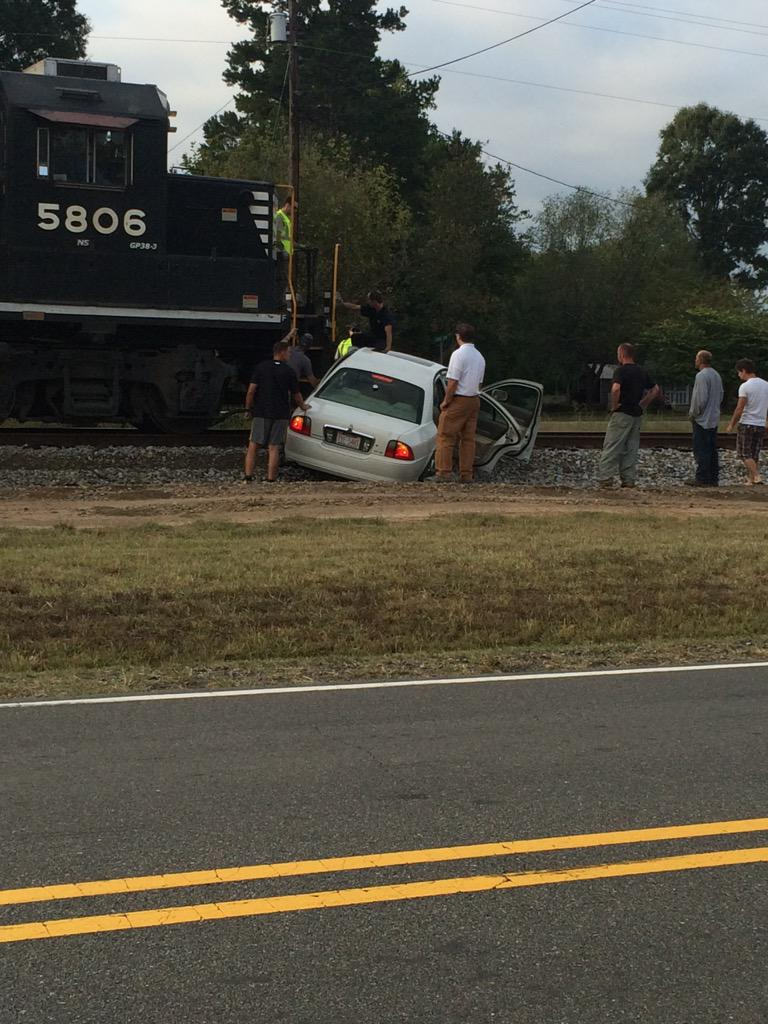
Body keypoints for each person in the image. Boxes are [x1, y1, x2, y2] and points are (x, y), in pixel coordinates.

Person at [243, 339, 309, 483]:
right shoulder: (289, 371)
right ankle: (270, 478)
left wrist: (248, 409)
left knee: (253, 444)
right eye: (288, 353)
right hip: (280, 414)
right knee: (274, 447)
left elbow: (251, 391)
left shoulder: (261, 367)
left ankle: (248, 476)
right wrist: (303, 406)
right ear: (282, 352)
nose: (289, 356)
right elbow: (296, 394)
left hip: (261, 412)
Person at [598, 343, 660, 489]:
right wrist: (643, 404)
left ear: (622, 354)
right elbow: (655, 389)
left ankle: (606, 478)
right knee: (631, 448)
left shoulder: (620, 371)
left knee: (612, 445)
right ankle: (628, 480)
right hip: (636, 414)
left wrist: (614, 405)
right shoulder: (641, 371)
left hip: (622, 412)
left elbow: (616, 389)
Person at [432, 323, 486, 483]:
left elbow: (453, 382)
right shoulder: (480, 357)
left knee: (445, 436)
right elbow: (479, 384)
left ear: (458, 336)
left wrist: (446, 401)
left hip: (459, 400)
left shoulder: (458, 355)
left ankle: (443, 473)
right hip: (474, 400)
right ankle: (466, 474)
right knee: (468, 439)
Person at [726, 358, 768, 485]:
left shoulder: (745, 387)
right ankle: (751, 479)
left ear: (744, 371)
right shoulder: (766, 385)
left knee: (744, 453)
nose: (739, 375)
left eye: (739, 372)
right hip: (760, 424)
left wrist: (731, 424)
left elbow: (740, 408)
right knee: (754, 453)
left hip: (747, 423)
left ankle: (756, 476)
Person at [688, 350, 723, 487]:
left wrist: (693, 414)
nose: (695, 360)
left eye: (696, 358)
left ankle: (702, 477)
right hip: (713, 417)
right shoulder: (716, 375)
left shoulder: (701, 376)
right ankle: (713, 478)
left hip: (702, 419)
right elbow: (720, 395)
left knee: (701, 448)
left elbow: (700, 399)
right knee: (712, 448)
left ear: (700, 360)